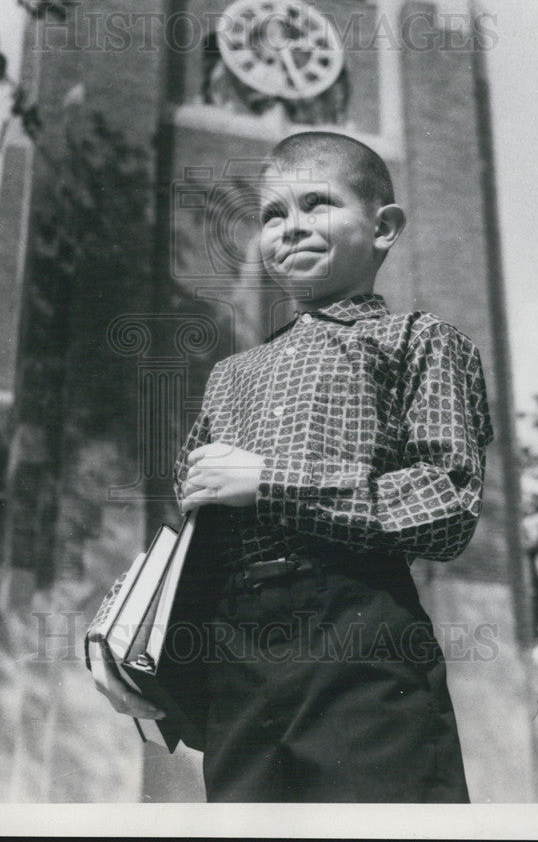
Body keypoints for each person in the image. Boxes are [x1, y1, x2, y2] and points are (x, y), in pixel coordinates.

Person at [100, 131, 494, 802]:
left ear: (384, 227)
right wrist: (138, 632)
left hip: (359, 633)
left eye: (319, 203)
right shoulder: (229, 375)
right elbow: (196, 519)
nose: (292, 227)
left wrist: (268, 481)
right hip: (236, 650)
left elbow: (446, 501)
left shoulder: (419, 341)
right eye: (273, 214)